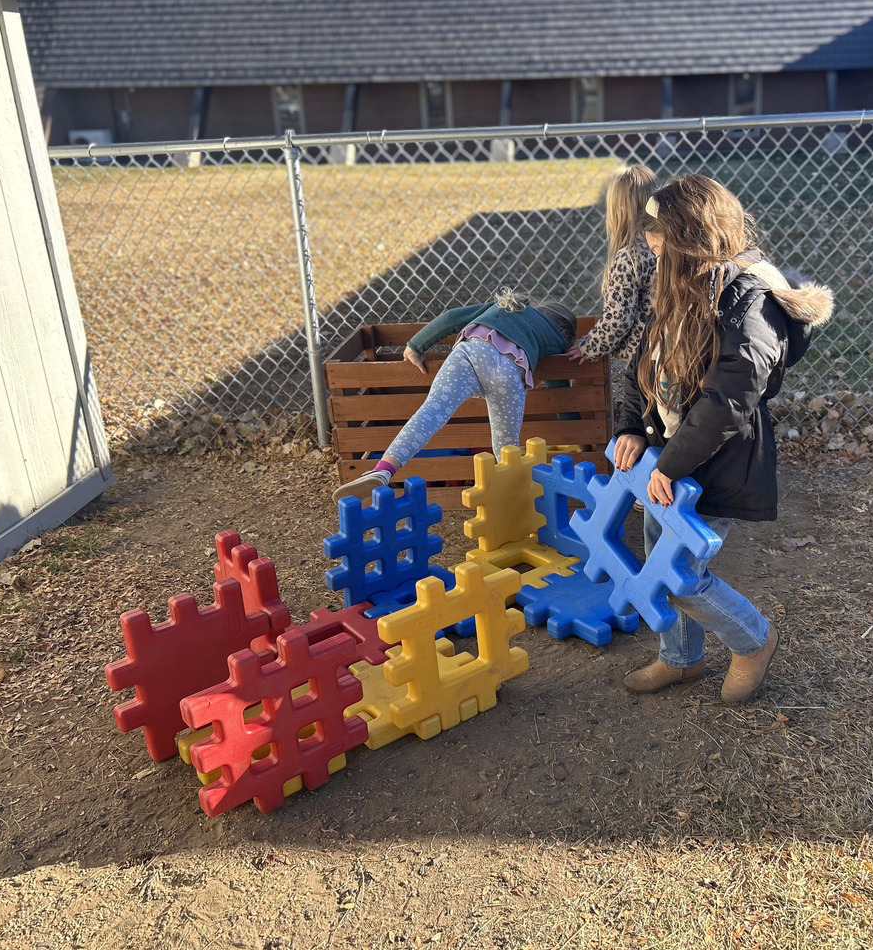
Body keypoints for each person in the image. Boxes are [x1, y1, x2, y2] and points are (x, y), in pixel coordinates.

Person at [613, 174, 833, 703]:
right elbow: (641, 363)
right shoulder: (677, 285)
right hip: (667, 451)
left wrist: (671, 466)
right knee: (656, 550)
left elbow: (728, 401)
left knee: (678, 573)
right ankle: (681, 658)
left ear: (691, 240)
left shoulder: (746, 305)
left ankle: (754, 638)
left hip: (713, 459)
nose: (651, 248)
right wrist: (630, 427)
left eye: (659, 239)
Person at [332, 289, 576, 501]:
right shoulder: (554, 336)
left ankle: (383, 469)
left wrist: (415, 346)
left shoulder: (506, 306)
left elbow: (450, 317)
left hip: (471, 353)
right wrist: (581, 435)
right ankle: (514, 503)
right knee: (505, 447)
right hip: (508, 373)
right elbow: (560, 386)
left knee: (431, 412)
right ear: (564, 331)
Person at [567, 166, 659, 386]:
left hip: (644, 355)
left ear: (618, 210)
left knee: (643, 407)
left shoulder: (630, 256)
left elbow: (618, 319)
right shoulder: (662, 246)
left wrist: (589, 347)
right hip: (666, 343)